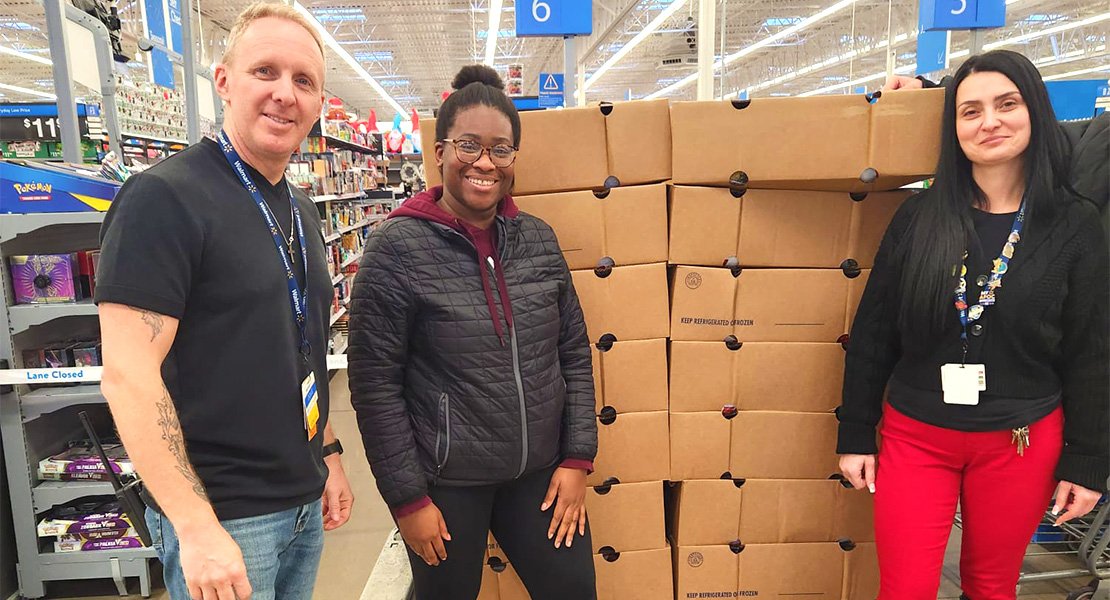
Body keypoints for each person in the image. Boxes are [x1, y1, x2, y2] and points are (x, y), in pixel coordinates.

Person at [96, 4, 353, 599]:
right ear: (224, 81)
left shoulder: (301, 209)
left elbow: (300, 344)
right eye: (266, 71)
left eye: (303, 81)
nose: (284, 94)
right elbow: (128, 375)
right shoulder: (162, 198)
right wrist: (195, 526)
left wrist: (329, 452)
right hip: (224, 517)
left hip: (300, 504)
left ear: (318, 103)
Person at [838, 50, 1108, 600]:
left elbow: (1091, 351)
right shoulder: (918, 218)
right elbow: (873, 332)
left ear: (1034, 111)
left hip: (1020, 441)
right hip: (916, 437)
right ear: (952, 128)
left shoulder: (1074, 223)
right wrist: (855, 430)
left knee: (991, 587)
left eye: (1006, 104)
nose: (989, 122)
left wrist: (1089, 460)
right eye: (970, 110)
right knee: (905, 589)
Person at [347, 64, 598, 600]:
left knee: (574, 591)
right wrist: (407, 500)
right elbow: (374, 387)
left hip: (540, 475)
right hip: (446, 483)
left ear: (513, 159)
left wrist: (578, 457)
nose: (484, 162)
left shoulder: (537, 239)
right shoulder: (396, 248)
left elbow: (573, 351)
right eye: (469, 145)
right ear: (439, 152)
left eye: (500, 149)